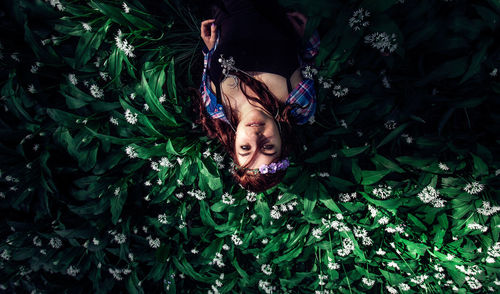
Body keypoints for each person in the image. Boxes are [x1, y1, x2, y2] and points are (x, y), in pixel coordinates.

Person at [195, 0, 320, 192]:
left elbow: (208, 69)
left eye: (245, 148)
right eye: (268, 147)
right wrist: (308, 38)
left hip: (223, 9)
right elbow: (309, 64)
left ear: (235, 144)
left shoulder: (216, 107)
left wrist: (210, 50)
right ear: (282, 144)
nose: (255, 136)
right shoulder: (299, 105)